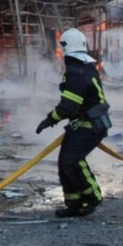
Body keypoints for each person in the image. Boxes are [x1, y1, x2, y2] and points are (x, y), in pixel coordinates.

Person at [35, 27, 112, 217]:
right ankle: (74, 203)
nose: (60, 54)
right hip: (84, 124)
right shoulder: (84, 68)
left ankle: (93, 197)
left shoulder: (77, 73)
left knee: (72, 160)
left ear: (66, 48)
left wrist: (49, 120)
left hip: (90, 126)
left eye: (61, 49)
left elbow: (68, 106)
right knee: (64, 163)